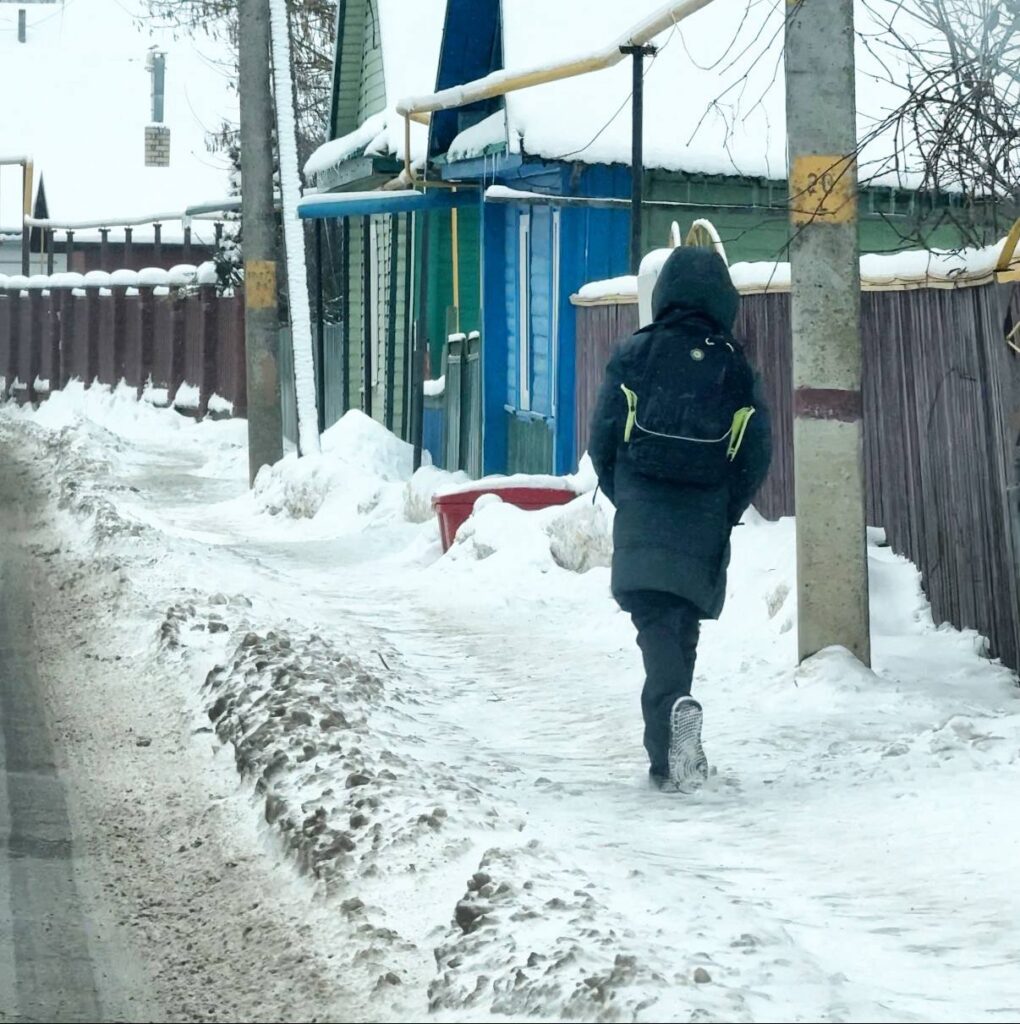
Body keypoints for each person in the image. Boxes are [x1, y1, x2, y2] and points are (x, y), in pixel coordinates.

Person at [588, 247, 772, 791]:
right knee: (679, 625)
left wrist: (625, 492)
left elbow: (602, 436)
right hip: (704, 514)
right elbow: (757, 451)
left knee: (656, 624)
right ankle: (672, 748)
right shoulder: (734, 366)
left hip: (643, 505)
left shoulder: (635, 352)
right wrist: (725, 506)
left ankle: (671, 728)